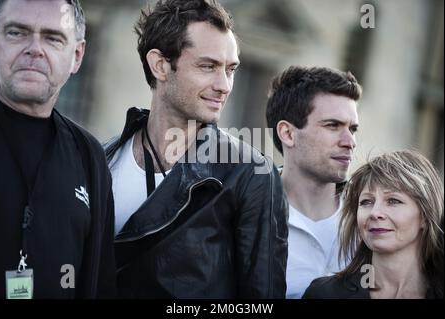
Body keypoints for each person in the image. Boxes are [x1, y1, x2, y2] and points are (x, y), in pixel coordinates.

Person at [105, 0, 288, 298]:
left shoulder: (252, 175)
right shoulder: (99, 159)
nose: (225, 85)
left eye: (230, 70)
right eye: (208, 66)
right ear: (161, 65)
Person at [0, 0, 115, 298]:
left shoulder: (89, 155)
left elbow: (98, 283)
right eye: (16, 33)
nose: (35, 48)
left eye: (52, 38)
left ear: (76, 56)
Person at [266, 66, 362, 298]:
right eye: (333, 125)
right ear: (288, 134)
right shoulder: (247, 216)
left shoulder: (372, 218)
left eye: (353, 128)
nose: (349, 141)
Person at [303, 150, 444, 299]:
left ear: (425, 216)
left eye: (393, 201)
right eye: (366, 202)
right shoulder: (324, 294)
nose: (374, 213)